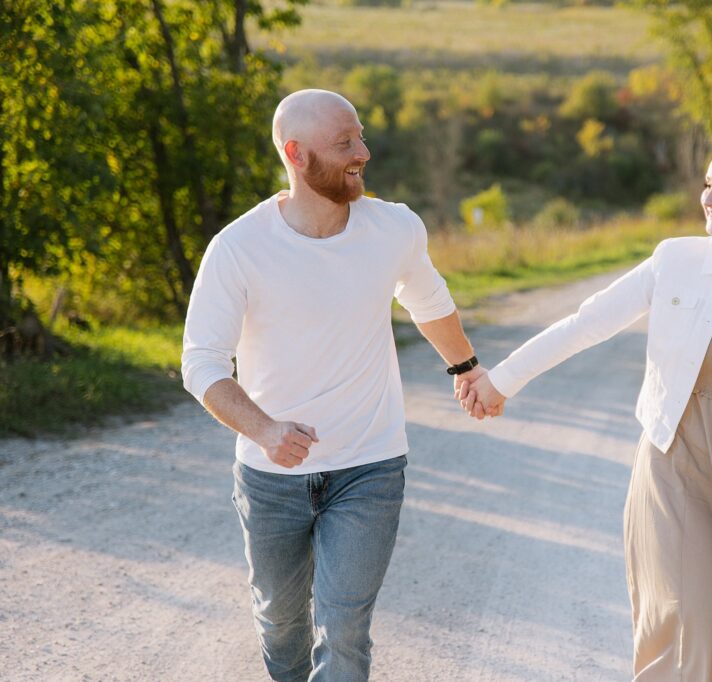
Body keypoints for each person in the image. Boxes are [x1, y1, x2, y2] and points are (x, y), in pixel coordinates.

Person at [461, 138, 712, 681]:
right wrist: (501, 381)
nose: (709, 197)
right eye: (708, 184)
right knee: (692, 625)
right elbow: (586, 323)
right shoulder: (674, 260)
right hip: (676, 462)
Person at [181, 89, 485, 682]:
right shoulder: (238, 248)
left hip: (370, 466)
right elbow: (203, 364)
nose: (363, 153)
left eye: (361, 136)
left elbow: (430, 303)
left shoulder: (394, 228)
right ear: (296, 154)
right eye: (344, 143)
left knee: (345, 627)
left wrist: (467, 367)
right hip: (271, 478)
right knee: (280, 622)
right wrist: (266, 429)